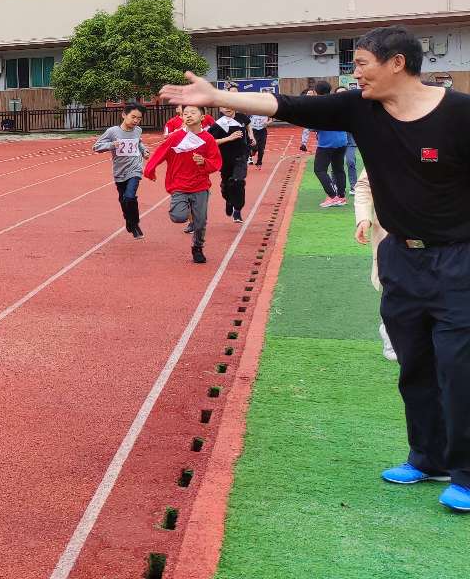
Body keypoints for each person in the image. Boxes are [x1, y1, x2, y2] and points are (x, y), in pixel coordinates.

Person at [159, 25, 470, 513]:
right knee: (415, 365)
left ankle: (466, 473)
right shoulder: (359, 107)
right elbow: (286, 106)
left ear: (397, 63)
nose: (355, 72)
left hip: (458, 259)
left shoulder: (460, 114)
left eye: (363, 62)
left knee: (459, 368)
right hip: (400, 260)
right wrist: (217, 94)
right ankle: (427, 457)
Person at [144, 104, 222, 264]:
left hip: (200, 186)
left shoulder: (208, 139)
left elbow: (216, 162)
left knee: (200, 223)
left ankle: (197, 247)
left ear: (202, 117)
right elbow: (160, 153)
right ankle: (188, 210)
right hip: (179, 184)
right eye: (185, 113)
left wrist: (204, 162)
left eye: (193, 112)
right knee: (178, 217)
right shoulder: (175, 137)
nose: (188, 115)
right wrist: (150, 170)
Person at [352, 168, 394, 362]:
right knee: (393, 286)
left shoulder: (447, 140)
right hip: (393, 236)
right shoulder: (388, 141)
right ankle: (390, 332)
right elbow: (364, 184)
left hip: (442, 238)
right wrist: (364, 218)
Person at [93, 103, 147, 239]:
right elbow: (96, 147)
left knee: (129, 196)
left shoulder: (138, 130)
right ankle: (129, 220)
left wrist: (144, 150)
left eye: (139, 118)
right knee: (124, 199)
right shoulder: (113, 132)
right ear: (124, 115)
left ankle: (134, 223)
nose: (135, 121)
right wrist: (111, 145)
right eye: (133, 117)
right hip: (119, 171)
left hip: (135, 168)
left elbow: (139, 143)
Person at [208, 90, 252, 223]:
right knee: (227, 185)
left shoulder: (241, 118)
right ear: (220, 108)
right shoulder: (218, 124)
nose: (227, 108)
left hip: (241, 156)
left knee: (238, 181)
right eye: (224, 106)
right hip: (225, 159)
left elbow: (248, 128)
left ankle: (237, 210)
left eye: (229, 104)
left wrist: (251, 138)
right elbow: (210, 142)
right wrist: (229, 138)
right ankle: (228, 200)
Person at [308, 83, 349, 207]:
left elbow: (313, 126)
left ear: (316, 92)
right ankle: (341, 196)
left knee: (319, 169)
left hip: (327, 143)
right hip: (342, 140)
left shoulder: (318, 105)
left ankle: (333, 196)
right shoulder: (338, 102)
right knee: (338, 169)